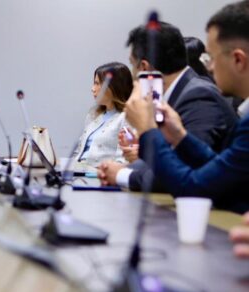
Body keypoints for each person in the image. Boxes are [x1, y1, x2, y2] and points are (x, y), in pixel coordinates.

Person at [123, 0, 249, 214]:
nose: (209, 67)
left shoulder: (200, 96)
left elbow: (194, 188)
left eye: (211, 57)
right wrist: (180, 137)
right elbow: (223, 175)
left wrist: (148, 131)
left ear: (238, 60)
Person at [98, 22, 238, 190]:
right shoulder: (179, 93)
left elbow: (185, 170)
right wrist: (125, 169)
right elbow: (168, 160)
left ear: (144, 68)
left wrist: (122, 174)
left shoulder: (199, 96)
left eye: (132, 65)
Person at [72, 62, 133, 166]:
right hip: (79, 169)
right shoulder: (93, 115)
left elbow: (123, 160)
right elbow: (78, 152)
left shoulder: (127, 118)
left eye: (97, 83)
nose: (93, 89)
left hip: (101, 173)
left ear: (114, 86)